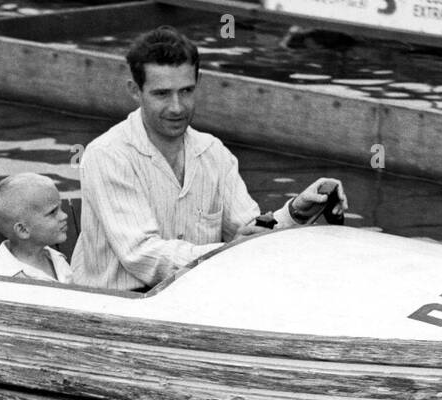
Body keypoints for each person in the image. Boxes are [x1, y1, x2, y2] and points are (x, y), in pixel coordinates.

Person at [71, 26, 347, 292]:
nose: (177, 107)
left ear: (197, 85)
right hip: (117, 304)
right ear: (135, 90)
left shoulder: (214, 152)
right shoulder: (107, 154)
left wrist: (296, 211)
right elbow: (142, 255)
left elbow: (248, 231)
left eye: (186, 91)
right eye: (162, 94)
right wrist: (229, 251)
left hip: (193, 295)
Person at [0, 172, 73, 283]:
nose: (64, 216)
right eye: (52, 212)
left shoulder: (56, 259)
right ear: (23, 230)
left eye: (60, 208)